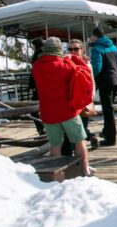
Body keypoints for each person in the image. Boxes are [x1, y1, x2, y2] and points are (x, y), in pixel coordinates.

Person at [32, 37, 94, 176]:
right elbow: (84, 70)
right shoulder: (66, 65)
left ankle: (57, 176)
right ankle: (84, 170)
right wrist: (73, 57)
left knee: (55, 146)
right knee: (79, 141)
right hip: (68, 112)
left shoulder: (37, 67)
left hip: (48, 113)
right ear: (59, 49)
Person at [61, 39, 98, 155]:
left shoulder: (87, 64)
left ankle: (79, 160)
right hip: (70, 103)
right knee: (70, 131)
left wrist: (90, 97)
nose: (73, 51)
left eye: (76, 49)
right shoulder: (65, 62)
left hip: (82, 102)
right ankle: (71, 157)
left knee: (81, 129)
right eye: (70, 49)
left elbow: (91, 82)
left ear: (82, 50)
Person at [89, 27, 117, 146]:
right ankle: (106, 131)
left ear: (95, 36)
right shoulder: (113, 47)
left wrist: (92, 79)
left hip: (105, 81)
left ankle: (110, 139)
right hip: (115, 80)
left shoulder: (97, 49)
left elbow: (96, 67)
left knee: (108, 111)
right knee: (110, 109)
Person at [28, 37, 45, 135]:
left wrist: (31, 85)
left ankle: (41, 129)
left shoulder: (38, 55)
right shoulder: (45, 53)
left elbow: (34, 72)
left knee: (33, 109)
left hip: (39, 86)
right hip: (42, 85)